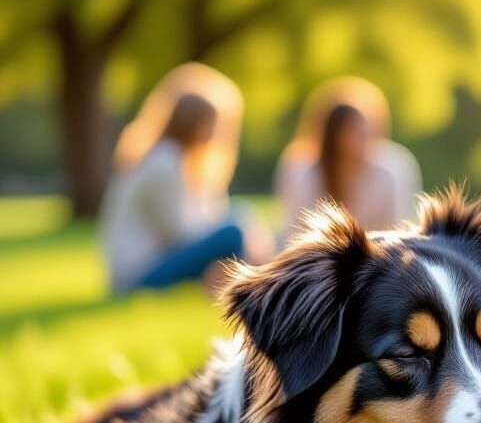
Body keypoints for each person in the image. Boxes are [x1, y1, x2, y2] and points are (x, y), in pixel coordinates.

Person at [100, 63, 266, 293]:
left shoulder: (177, 160)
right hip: (138, 274)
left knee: (239, 218)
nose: (214, 134)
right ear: (193, 124)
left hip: (148, 266)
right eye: (211, 125)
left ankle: (255, 282)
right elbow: (179, 232)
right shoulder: (164, 161)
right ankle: (255, 285)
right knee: (233, 231)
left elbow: (206, 214)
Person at [275, 77, 420, 236]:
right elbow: (294, 232)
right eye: (353, 132)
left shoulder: (392, 170)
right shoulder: (300, 171)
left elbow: (397, 230)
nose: (362, 140)